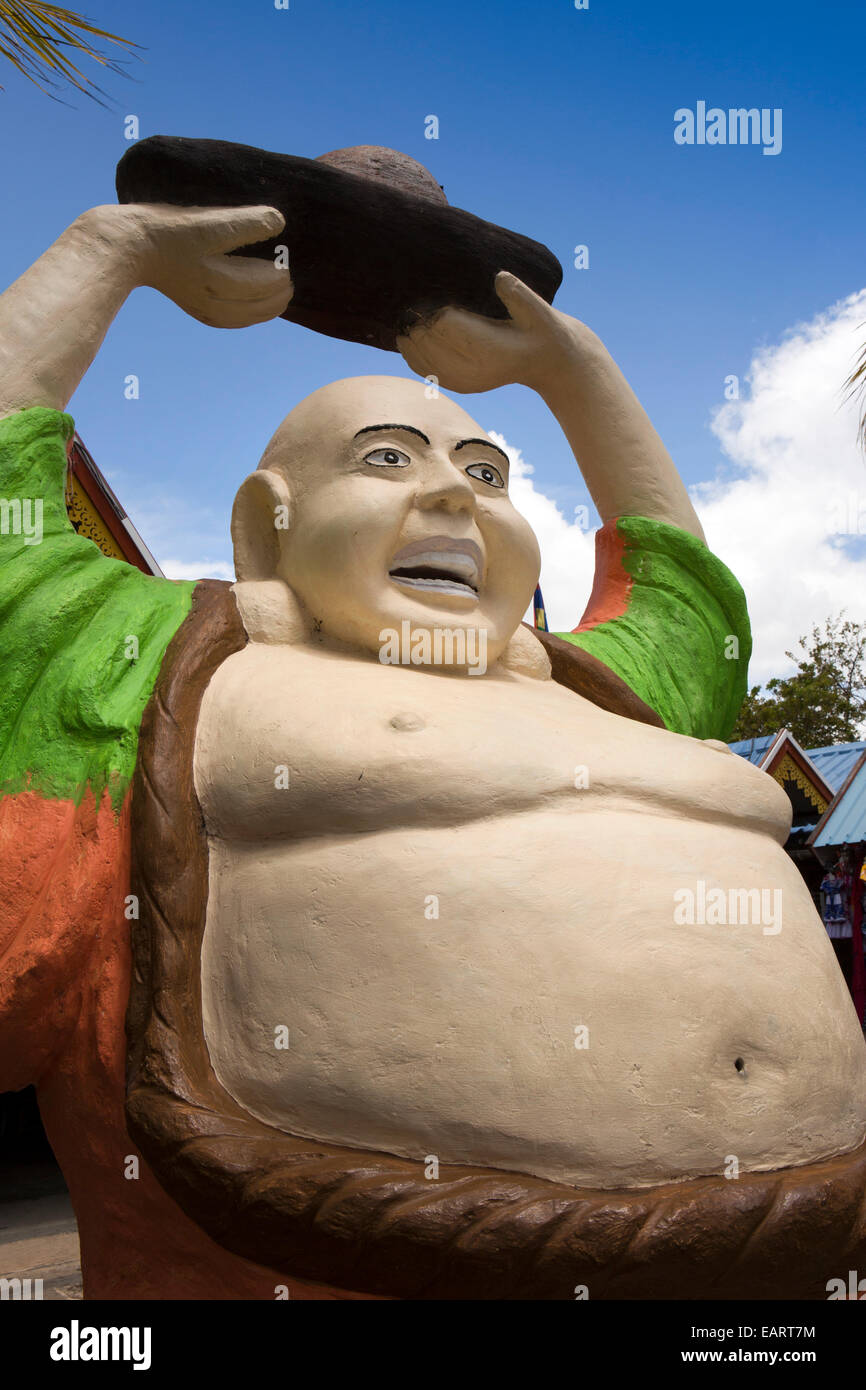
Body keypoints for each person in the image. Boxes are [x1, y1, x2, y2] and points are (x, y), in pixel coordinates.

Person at [1, 201, 864, 1300]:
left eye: (487, 473)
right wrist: (105, 255)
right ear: (267, 524)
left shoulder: (585, 686)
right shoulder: (164, 658)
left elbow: (691, 603)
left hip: (792, 1249)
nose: (454, 492)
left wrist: (572, 370)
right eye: (386, 459)